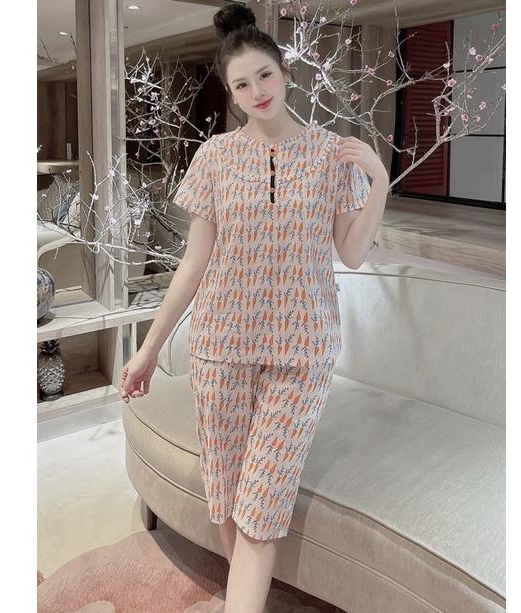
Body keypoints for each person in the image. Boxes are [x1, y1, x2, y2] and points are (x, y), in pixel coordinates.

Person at [119, 4, 389, 612]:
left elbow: (351, 253)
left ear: (285, 72)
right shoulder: (214, 157)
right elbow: (193, 264)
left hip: (303, 351)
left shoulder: (331, 154)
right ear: (231, 92)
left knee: (262, 507)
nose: (256, 91)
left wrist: (379, 182)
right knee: (228, 498)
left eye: (264, 75)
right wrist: (149, 350)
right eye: (241, 84)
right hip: (220, 346)